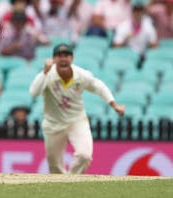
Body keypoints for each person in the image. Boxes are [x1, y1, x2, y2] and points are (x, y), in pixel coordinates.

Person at [29, 43, 125, 174]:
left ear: (72, 58)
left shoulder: (81, 75)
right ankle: (61, 188)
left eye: (66, 56)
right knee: (55, 165)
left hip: (77, 121)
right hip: (53, 123)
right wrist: (45, 72)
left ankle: (71, 181)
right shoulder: (48, 75)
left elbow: (99, 86)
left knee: (85, 156)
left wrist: (114, 104)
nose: (63, 59)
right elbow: (34, 92)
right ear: (54, 59)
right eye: (59, 56)